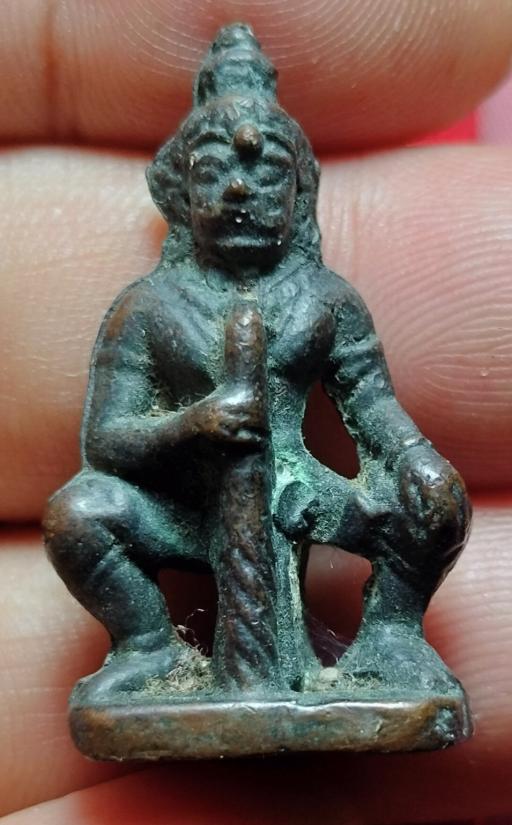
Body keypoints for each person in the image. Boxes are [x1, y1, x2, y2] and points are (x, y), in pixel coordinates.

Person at [1, 2, 512, 822]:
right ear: (182, 193)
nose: (239, 189)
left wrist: (415, 462)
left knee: (440, 497)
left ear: (299, 194)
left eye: (267, 173)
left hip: (301, 494)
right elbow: (106, 439)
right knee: (76, 514)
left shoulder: (325, 300)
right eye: (213, 173)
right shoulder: (149, 307)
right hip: (188, 511)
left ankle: (390, 636)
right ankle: (147, 644)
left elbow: (374, 410)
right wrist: (194, 424)